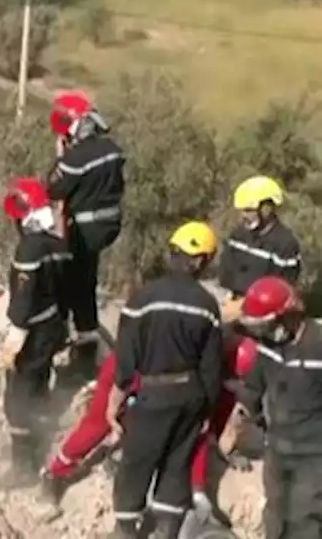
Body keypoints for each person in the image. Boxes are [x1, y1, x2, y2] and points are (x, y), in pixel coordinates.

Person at [43, 335, 259, 512]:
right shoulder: (192, 364)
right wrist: (198, 490)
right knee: (99, 423)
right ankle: (56, 471)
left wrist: (220, 438)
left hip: (159, 370)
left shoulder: (214, 357)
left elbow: (217, 407)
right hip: (132, 368)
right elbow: (197, 428)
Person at [106, 221, 224, 539]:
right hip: (189, 396)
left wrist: (115, 399)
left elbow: (126, 358)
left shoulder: (142, 298)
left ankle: (126, 529)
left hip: (151, 397)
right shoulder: (207, 305)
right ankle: (168, 528)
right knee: (177, 462)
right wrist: (207, 412)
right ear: (200, 260)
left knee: (136, 463)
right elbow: (212, 367)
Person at [226, 276, 322, 539]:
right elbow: (253, 390)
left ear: (289, 316)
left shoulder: (318, 345)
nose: (263, 333)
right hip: (278, 449)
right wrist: (235, 426)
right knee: (275, 514)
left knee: (304, 519)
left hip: (313, 456)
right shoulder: (269, 345)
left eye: (267, 325)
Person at [0, 177, 72, 487]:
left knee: (17, 397)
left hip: (33, 332)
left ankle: (23, 467)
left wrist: (14, 338)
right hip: (52, 327)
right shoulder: (58, 246)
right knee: (39, 387)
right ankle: (39, 446)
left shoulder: (29, 249)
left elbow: (24, 300)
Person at [46, 89, 127, 381]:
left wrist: (61, 156)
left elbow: (54, 188)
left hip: (84, 229)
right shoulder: (113, 150)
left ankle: (80, 352)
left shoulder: (76, 159)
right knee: (85, 282)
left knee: (74, 285)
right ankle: (85, 339)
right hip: (108, 225)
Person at [217, 176, 303, 322]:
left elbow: (280, 290)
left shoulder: (285, 244)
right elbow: (226, 275)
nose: (243, 215)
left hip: (264, 317)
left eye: (249, 210)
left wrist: (243, 307)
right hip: (231, 307)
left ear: (267, 208)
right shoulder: (238, 236)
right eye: (242, 210)